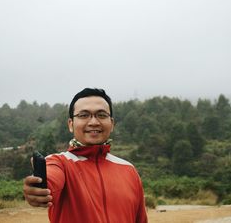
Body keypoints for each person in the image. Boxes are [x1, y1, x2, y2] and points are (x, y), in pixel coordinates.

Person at [23, 88, 148, 223]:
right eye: (83, 115)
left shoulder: (129, 170)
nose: (93, 122)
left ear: (112, 124)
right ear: (71, 124)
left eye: (101, 115)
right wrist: (40, 189)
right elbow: (50, 181)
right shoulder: (59, 162)